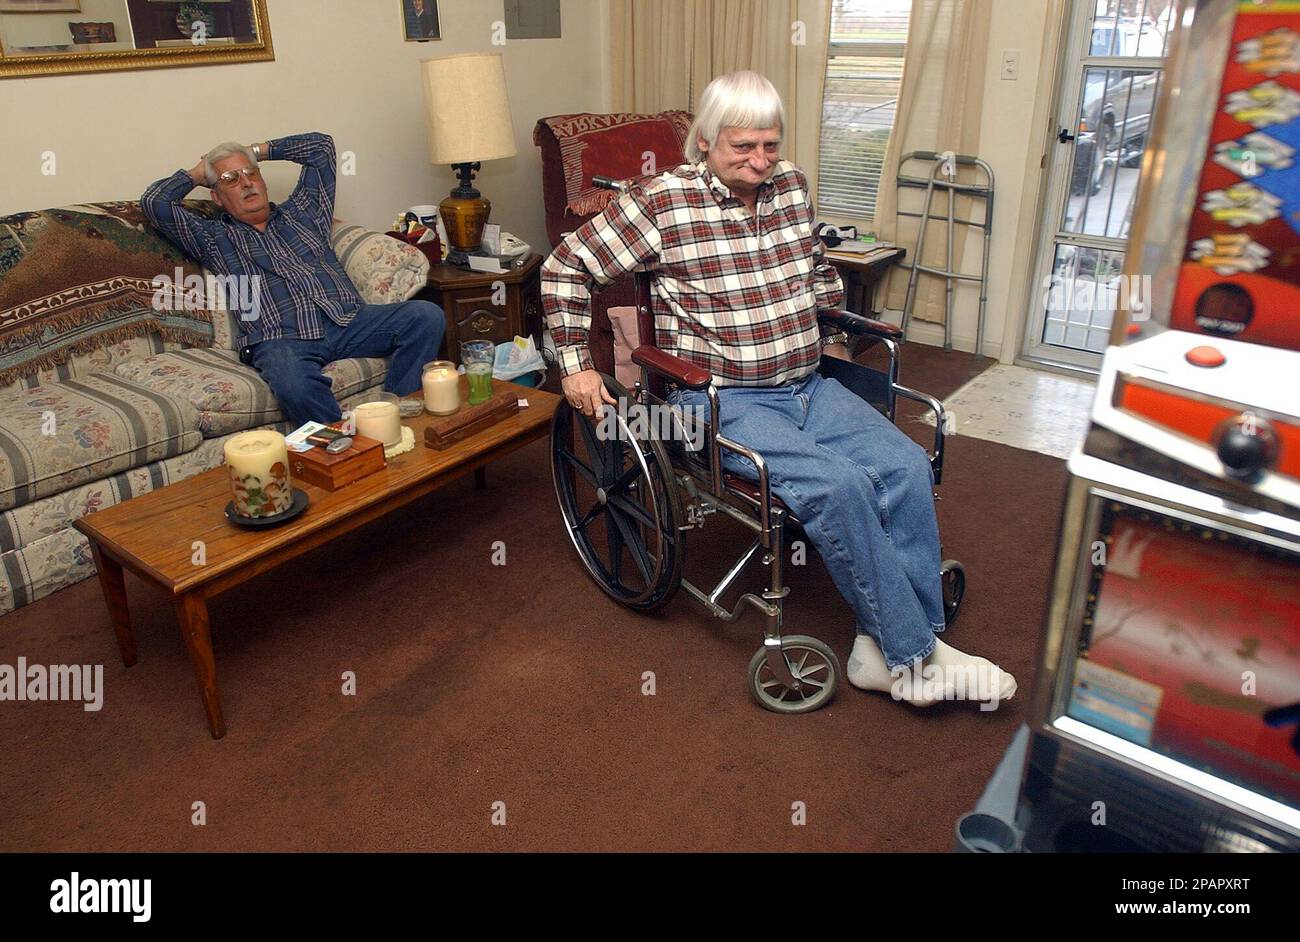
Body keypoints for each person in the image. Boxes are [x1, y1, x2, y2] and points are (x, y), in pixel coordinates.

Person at [542, 71, 1016, 708]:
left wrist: (836, 334)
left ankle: (887, 648)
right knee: (840, 485)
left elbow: (817, 269)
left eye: (771, 144)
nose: (762, 161)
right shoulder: (663, 202)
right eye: (744, 147)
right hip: (717, 399)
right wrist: (574, 363)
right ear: (705, 140)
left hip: (807, 385)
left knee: (903, 464)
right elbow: (566, 267)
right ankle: (916, 660)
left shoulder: (790, 186)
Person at [141, 132, 445, 428]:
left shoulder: (305, 212)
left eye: (250, 173)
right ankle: (343, 447)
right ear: (217, 198)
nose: (246, 183)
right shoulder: (213, 237)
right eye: (230, 180)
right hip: (281, 339)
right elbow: (155, 202)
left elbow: (321, 148)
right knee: (293, 383)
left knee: (425, 315)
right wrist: (198, 171)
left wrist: (257, 151)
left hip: (348, 321)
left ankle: (395, 415)